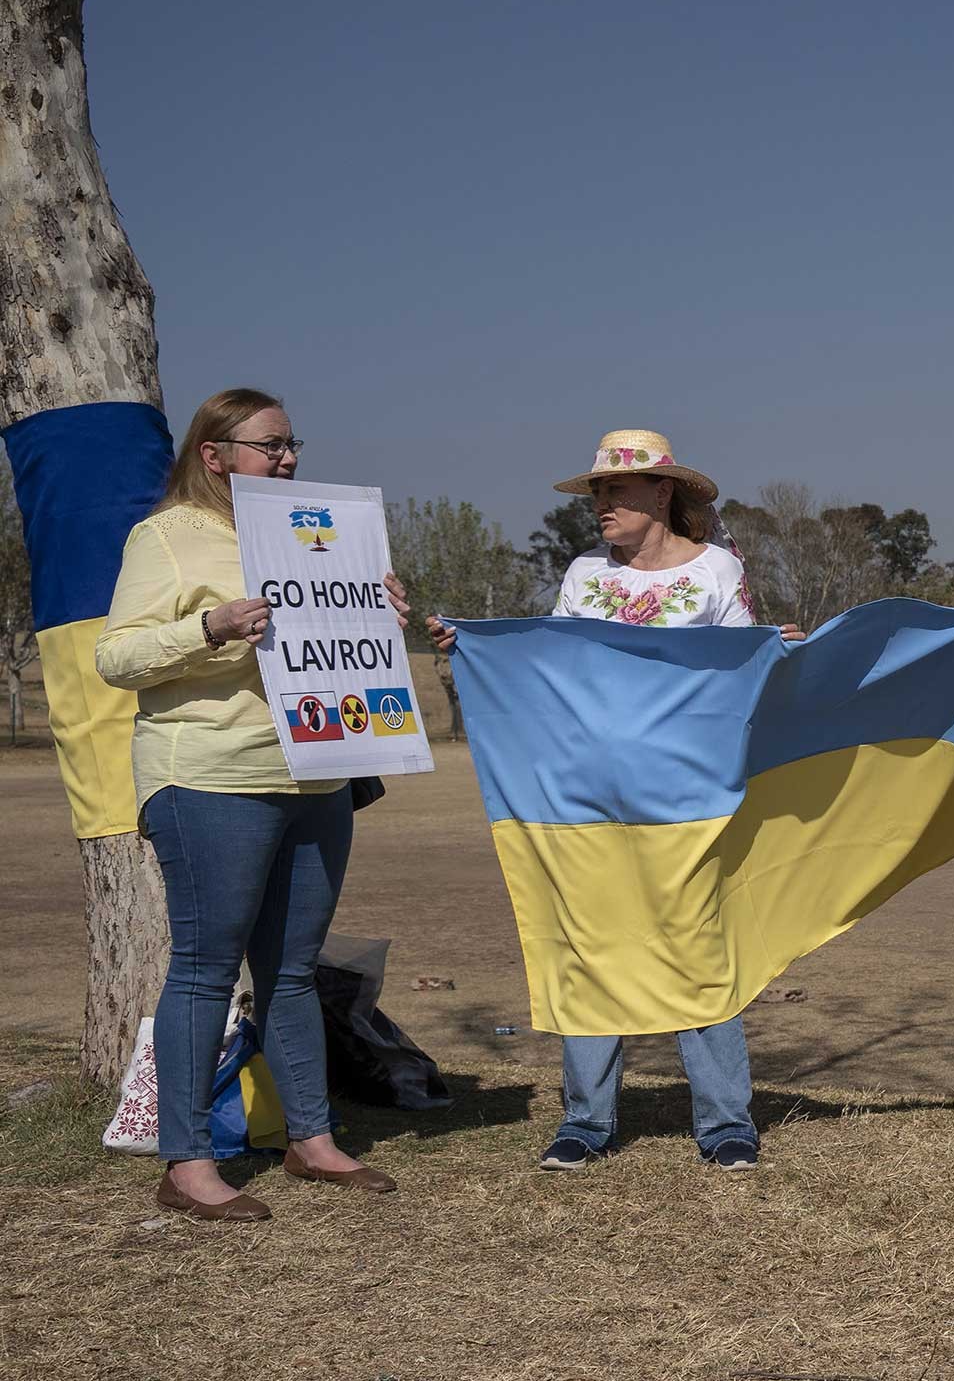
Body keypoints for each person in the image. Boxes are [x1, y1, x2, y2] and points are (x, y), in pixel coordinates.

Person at [95, 387, 406, 1220]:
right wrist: (210, 628)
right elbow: (116, 658)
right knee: (203, 973)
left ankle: (312, 1140)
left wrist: (378, 613)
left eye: (292, 444)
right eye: (270, 447)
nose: (288, 459)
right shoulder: (164, 537)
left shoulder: (319, 531)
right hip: (209, 780)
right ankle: (187, 1162)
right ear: (214, 455)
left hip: (319, 776)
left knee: (294, 970)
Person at [431, 429, 779, 1173]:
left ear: (662, 494)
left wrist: (784, 652)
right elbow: (555, 671)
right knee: (587, 944)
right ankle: (586, 1123)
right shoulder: (584, 574)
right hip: (581, 796)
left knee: (698, 950)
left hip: (688, 798)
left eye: (615, 491)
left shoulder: (719, 571)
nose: (600, 506)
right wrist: (473, 650)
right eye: (596, 493)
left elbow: (746, 681)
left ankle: (725, 1124)